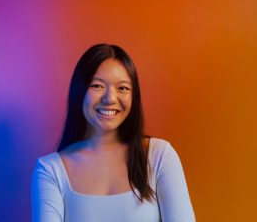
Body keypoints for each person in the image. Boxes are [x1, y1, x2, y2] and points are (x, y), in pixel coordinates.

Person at [31, 43, 196, 222]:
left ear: (134, 96)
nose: (110, 98)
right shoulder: (50, 171)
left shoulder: (160, 156)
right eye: (97, 86)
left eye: (123, 88)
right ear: (79, 91)